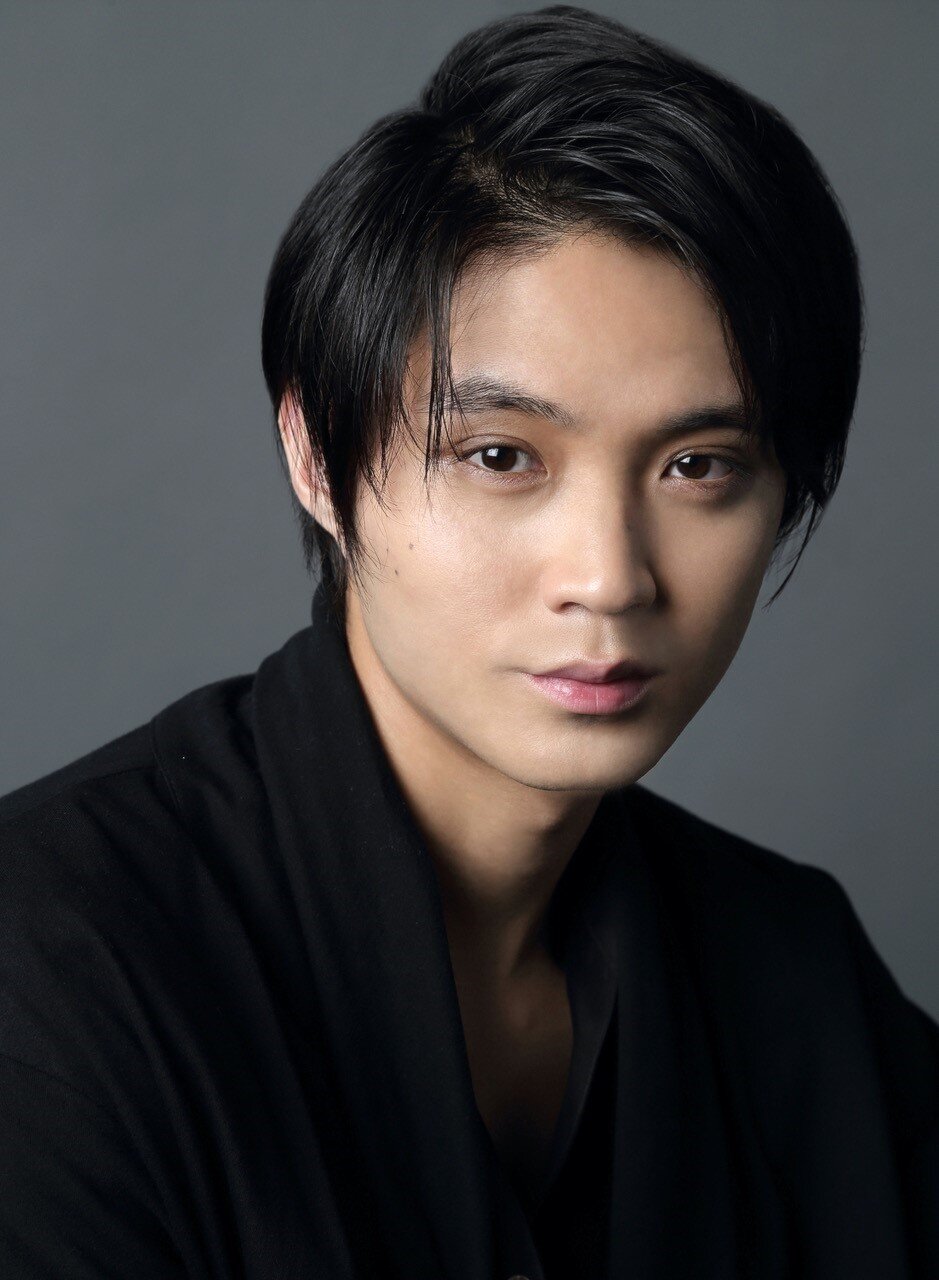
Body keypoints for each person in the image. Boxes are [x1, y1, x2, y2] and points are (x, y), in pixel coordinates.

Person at [1, 5, 936, 1278]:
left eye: (699, 465)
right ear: (316, 459)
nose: (609, 575)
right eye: (501, 456)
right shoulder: (53, 970)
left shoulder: (798, 979)